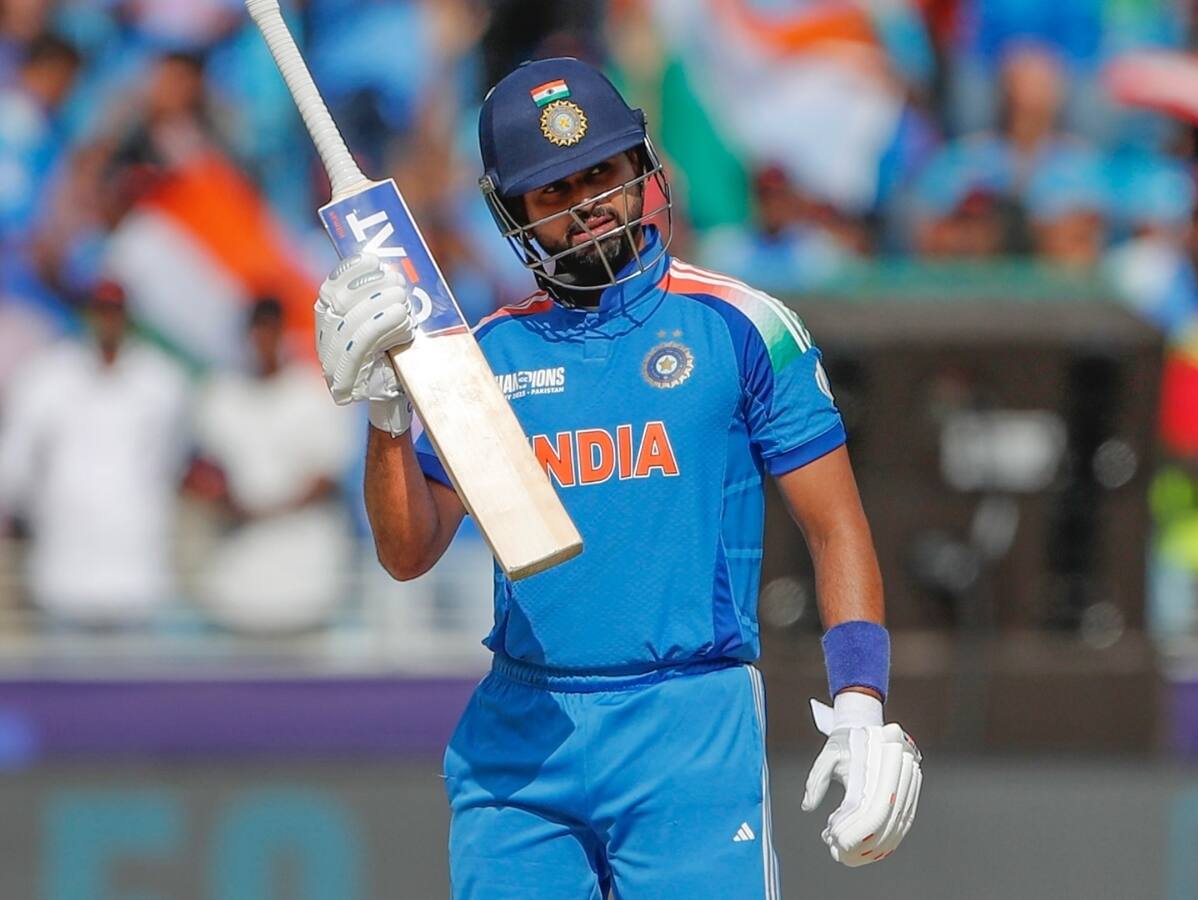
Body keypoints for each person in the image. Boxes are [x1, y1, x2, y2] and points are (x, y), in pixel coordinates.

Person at [312, 58, 922, 897]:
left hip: (689, 723)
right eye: (554, 189)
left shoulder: (744, 325)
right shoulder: (484, 356)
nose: (587, 201)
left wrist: (859, 703)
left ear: (640, 165)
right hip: (524, 740)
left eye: (600, 171)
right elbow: (408, 552)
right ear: (513, 210)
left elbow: (836, 526)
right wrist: (386, 415)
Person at [0, 279, 190, 628]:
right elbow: (16, 465)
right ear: (87, 314)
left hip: (137, 573)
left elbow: (171, 460)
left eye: (115, 311)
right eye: (101, 310)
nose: (108, 320)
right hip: (63, 571)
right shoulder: (47, 377)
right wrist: (45, 511)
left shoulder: (161, 381)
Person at [187, 298, 357, 634]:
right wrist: (225, 500)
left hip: (307, 585)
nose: (262, 342)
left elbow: (327, 476)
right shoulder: (220, 395)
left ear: (282, 334)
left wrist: (265, 510)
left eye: (269, 331)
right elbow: (202, 471)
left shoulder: (312, 394)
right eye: (256, 332)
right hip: (235, 585)